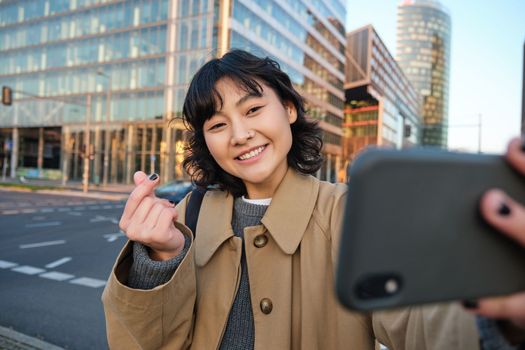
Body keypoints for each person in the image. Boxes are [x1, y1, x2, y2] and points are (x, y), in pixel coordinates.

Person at [101, 49, 524, 349]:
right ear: (205, 141)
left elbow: (420, 326)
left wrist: (500, 316)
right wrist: (158, 262)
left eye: (252, 110)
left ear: (288, 109)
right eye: (217, 124)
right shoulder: (183, 219)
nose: (240, 134)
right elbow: (140, 343)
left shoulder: (349, 214)